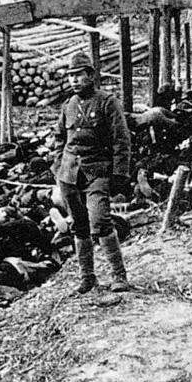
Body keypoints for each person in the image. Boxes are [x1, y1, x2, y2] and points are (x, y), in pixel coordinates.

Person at [51, 51, 131, 294]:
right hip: (69, 174)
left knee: (100, 220)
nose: (74, 80)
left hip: (97, 171)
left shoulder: (107, 102)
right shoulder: (68, 105)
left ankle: (119, 276)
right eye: (71, 76)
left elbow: (121, 140)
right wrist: (58, 167)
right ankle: (87, 278)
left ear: (91, 76)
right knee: (79, 225)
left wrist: (119, 174)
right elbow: (59, 138)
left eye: (79, 75)